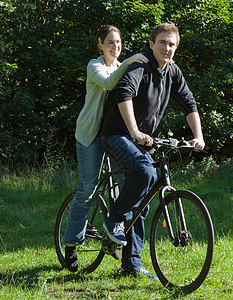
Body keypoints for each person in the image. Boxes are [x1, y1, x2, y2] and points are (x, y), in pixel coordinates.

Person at [101, 23, 205, 279]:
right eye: (162, 43)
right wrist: (135, 131)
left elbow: (188, 102)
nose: (167, 48)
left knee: (144, 201)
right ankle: (113, 219)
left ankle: (132, 265)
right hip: (117, 134)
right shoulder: (140, 65)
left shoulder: (172, 71)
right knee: (145, 173)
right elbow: (123, 93)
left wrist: (198, 136)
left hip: (146, 139)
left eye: (171, 44)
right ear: (151, 44)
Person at [62, 25, 148, 272]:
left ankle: (117, 240)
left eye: (119, 42)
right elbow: (110, 83)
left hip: (116, 135)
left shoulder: (124, 67)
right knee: (87, 188)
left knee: (125, 188)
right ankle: (71, 243)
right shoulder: (94, 66)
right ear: (100, 44)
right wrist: (130, 60)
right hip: (90, 135)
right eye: (110, 42)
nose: (116, 47)